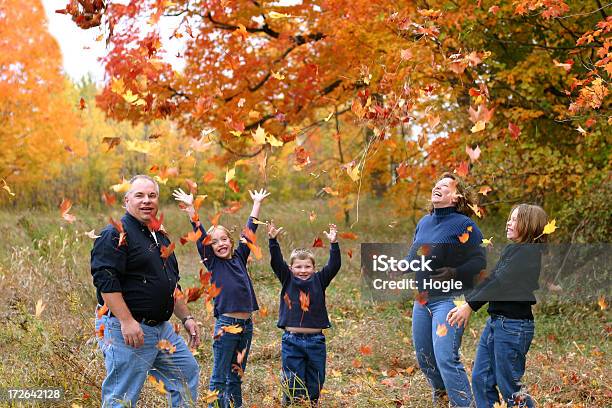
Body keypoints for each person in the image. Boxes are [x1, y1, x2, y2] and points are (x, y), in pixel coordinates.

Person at [91, 175, 201, 408]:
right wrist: (127, 321)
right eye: (139, 195)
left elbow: (171, 283)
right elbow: (105, 281)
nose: (146, 201)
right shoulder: (115, 234)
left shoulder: (159, 234)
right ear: (126, 200)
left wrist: (186, 317)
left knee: (186, 374)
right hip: (128, 330)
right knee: (122, 397)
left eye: (152, 195)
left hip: (161, 330)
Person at [173, 187, 269, 408]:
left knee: (236, 375)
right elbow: (200, 235)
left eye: (224, 239)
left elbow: (250, 232)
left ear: (231, 241)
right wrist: (191, 208)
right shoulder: (212, 262)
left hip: (246, 325)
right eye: (215, 242)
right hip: (226, 326)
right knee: (220, 376)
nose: (221, 244)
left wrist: (256, 204)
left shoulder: (239, 258)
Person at [447, 204, 548, 408]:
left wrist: (470, 306)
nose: (508, 222)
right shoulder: (513, 250)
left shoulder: (528, 253)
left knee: (510, 386)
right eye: (509, 218)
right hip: (496, 323)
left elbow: (499, 282)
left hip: (513, 327)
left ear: (528, 225)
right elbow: (492, 278)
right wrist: (467, 300)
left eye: (514, 219)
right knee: (481, 379)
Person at [406, 172, 486, 407]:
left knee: (444, 356)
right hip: (423, 299)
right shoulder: (424, 222)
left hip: (449, 299)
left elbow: (480, 260)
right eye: (436, 184)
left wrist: (454, 271)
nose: (437, 188)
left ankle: (464, 403)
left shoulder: (464, 225)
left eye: (445, 186)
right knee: (425, 358)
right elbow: (414, 256)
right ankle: (442, 398)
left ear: (457, 197)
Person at [267, 221, 341, 406]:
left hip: (316, 341)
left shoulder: (319, 280)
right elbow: (276, 262)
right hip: (292, 340)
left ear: (314, 268)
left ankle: (312, 402)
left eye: (307, 267)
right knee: (293, 381)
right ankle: (292, 403)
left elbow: (334, 265)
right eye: (298, 267)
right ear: (291, 268)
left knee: (316, 380)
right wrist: (273, 241)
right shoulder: (287, 279)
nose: (303, 270)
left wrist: (334, 244)